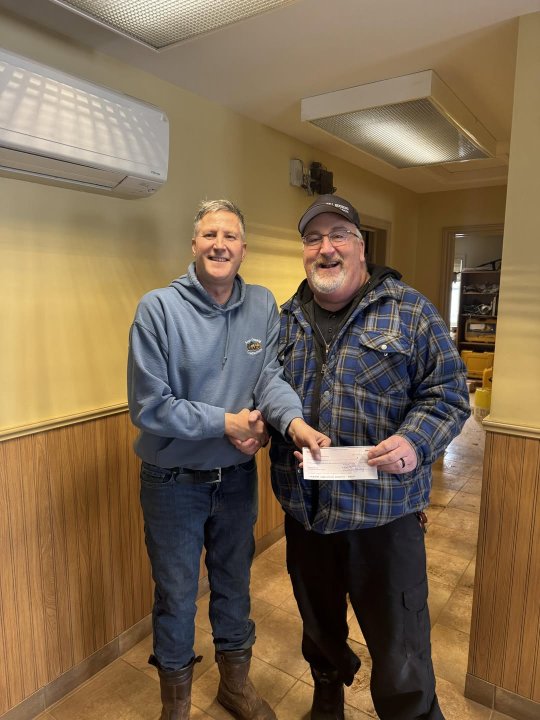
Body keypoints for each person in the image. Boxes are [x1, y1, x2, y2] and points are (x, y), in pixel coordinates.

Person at [269, 194, 471, 720]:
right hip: (307, 515)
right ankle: (327, 696)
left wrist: (415, 443)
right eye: (313, 239)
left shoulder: (410, 310)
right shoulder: (284, 320)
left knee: (401, 651)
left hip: (385, 518)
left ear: (361, 247)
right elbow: (267, 396)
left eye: (338, 235)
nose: (325, 248)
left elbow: (449, 394)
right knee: (319, 628)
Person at [127, 199, 329, 720]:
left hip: (236, 478)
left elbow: (270, 380)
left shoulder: (262, 305)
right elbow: (149, 406)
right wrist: (227, 423)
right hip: (172, 480)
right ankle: (176, 706)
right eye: (210, 234)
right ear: (194, 244)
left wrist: (291, 423)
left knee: (234, 584)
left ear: (244, 249)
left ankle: (234, 687)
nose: (220, 244)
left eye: (231, 236)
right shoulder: (157, 309)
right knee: (176, 594)